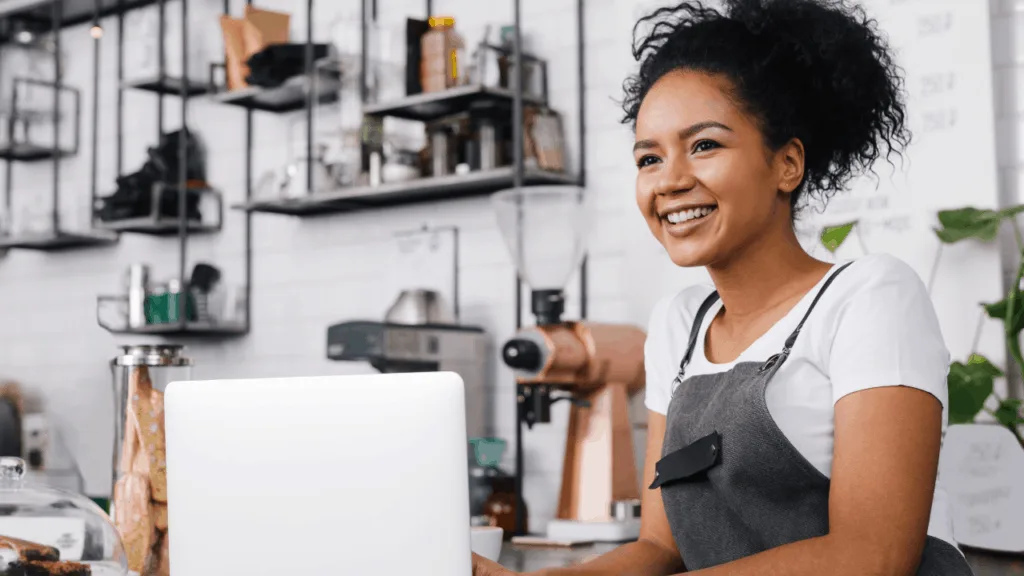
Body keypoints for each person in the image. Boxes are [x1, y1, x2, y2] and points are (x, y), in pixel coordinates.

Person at [473, 0, 976, 574]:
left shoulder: (870, 298)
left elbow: (871, 555)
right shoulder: (677, 326)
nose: (671, 180)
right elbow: (659, 549)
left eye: (704, 145)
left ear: (787, 164)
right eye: (648, 158)